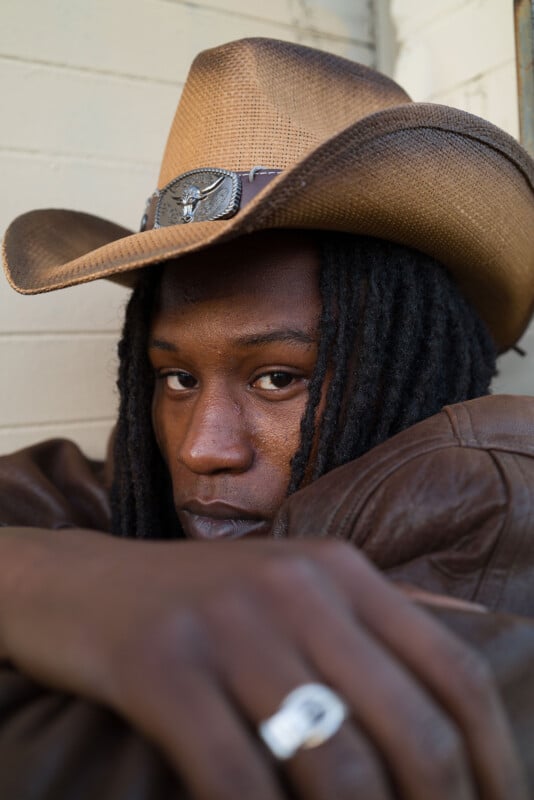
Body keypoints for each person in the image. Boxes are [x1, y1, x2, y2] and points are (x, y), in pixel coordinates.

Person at [1, 36, 534, 799]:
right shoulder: (146, 480)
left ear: (411, 369)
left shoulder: (486, 500)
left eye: (279, 377)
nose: (204, 449)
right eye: (177, 376)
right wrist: (50, 577)